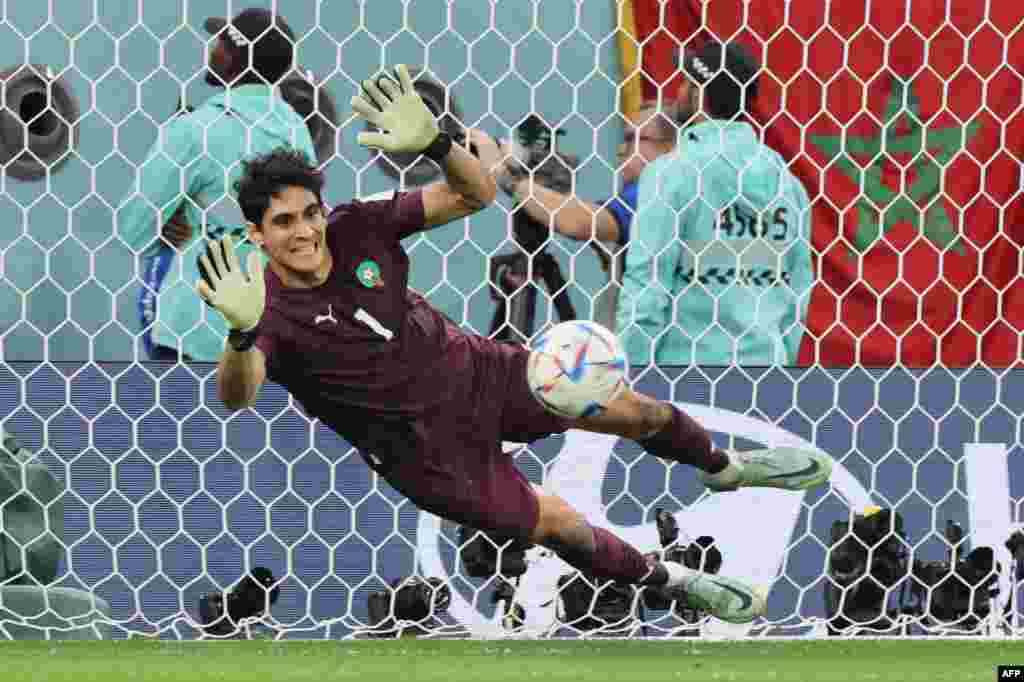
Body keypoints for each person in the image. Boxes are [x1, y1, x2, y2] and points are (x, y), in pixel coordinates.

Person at [196, 65, 834, 625]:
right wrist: (241, 331)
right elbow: (238, 395)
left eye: (309, 213)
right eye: (284, 222)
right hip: (423, 453)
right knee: (556, 523)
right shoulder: (261, 308)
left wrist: (441, 145)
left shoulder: (358, 225)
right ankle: (676, 583)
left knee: (632, 410)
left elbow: (472, 194)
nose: (305, 231)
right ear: (256, 235)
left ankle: (724, 469)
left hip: (478, 371)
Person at [117, 7, 315, 361]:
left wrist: (172, 226)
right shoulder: (297, 131)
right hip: (274, 335)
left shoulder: (193, 130)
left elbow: (133, 229)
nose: (211, 47)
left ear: (235, 56)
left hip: (195, 334)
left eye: (220, 41)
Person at [618, 41, 814, 367]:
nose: (678, 90)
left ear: (698, 95)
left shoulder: (672, 172)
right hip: (766, 374)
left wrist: (629, 376)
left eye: (686, 83)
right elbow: (798, 295)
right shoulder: (787, 182)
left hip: (686, 378)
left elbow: (647, 287)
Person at [480, 105, 677, 330]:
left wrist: (503, 174)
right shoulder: (647, 193)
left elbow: (579, 223)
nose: (622, 149)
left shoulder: (657, 192)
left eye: (634, 138)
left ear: (669, 147)